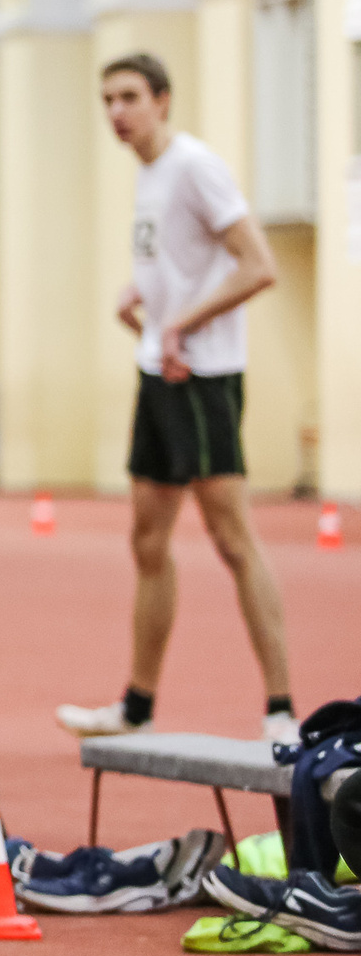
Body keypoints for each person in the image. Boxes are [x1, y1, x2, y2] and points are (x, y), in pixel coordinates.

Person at [58, 51, 295, 746]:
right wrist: (146, 299)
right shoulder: (150, 174)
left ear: (163, 100)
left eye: (128, 96)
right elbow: (181, 262)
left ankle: (282, 706)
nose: (115, 112)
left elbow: (259, 265)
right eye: (106, 98)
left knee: (232, 539)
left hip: (203, 377)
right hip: (156, 371)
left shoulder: (194, 164)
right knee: (147, 540)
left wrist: (182, 323)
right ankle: (137, 705)